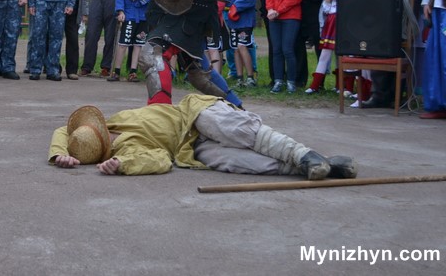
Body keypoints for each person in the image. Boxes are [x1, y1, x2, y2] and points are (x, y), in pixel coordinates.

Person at [49, 100, 356, 180]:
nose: (106, 133)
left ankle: (304, 154)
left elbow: (63, 131)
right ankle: (319, 168)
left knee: (235, 129)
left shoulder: (114, 118)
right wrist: (122, 164)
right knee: (234, 162)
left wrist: (59, 153)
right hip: (190, 148)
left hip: (193, 113)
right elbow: (159, 160)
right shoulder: (126, 149)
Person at [265, 0, 307, 93]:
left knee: (287, 49)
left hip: (290, 17)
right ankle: (278, 81)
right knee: (276, 49)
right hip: (274, 16)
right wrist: (270, 9)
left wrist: (279, 10)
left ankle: (291, 81)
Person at [305, 0, 350, 95]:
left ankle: (344, 86)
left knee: (344, 55)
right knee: (325, 54)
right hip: (330, 25)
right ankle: (315, 85)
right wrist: (327, 0)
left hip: (344, 25)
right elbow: (324, 10)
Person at [295, 0, 332, 88]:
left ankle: (319, 82)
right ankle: (300, 80)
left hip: (316, 17)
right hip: (300, 15)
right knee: (298, 46)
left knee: (319, 48)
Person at [223, 0, 258, 87]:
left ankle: (250, 77)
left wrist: (236, 4)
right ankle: (239, 78)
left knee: (242, 46)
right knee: (235, 48)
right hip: (233, 20)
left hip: (245, 19)